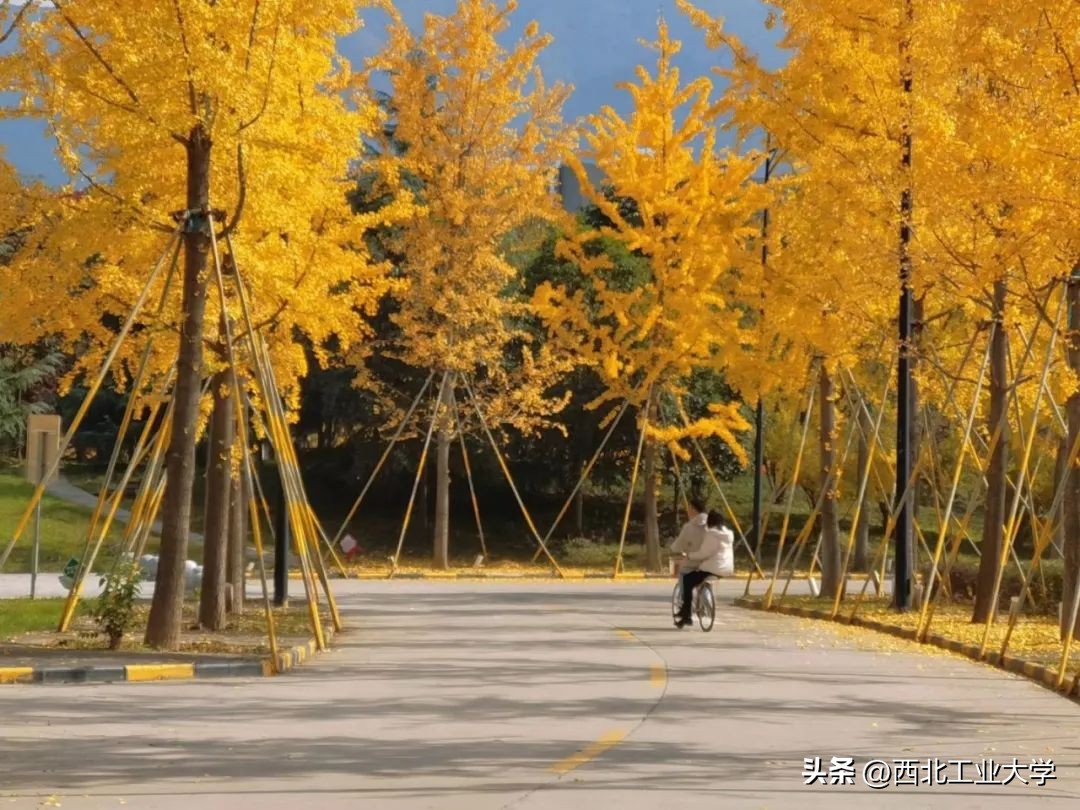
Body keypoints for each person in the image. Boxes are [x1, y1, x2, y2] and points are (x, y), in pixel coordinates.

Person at [672, 509, 732, 628]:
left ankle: (686, 615)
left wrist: (689, 556)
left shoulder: (711, 534)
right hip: (726, 568)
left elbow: (703, 553)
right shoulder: (728, 534)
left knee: (687, 580)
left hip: (712, 568)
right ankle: (702, 602)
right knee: (699, 578)